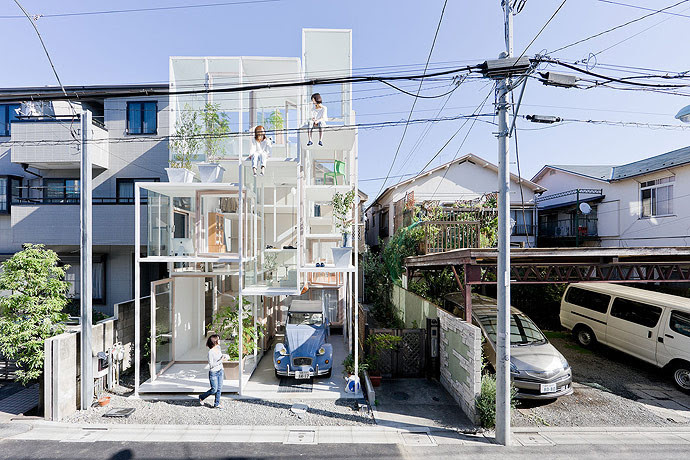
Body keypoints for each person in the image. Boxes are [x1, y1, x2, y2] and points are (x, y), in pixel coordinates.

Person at [199, 334, 226, 408]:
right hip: (214, 373)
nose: (219, 340)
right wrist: (221, 360)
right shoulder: (210, 352)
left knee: (219, 388)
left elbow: (220, 357)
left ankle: (216, 404)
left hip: (220, 370)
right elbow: (211, 365)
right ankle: (201, 397)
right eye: (218, 339)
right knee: (214, 389)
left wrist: (224, 357)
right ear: (214, 341)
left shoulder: (219, 348)